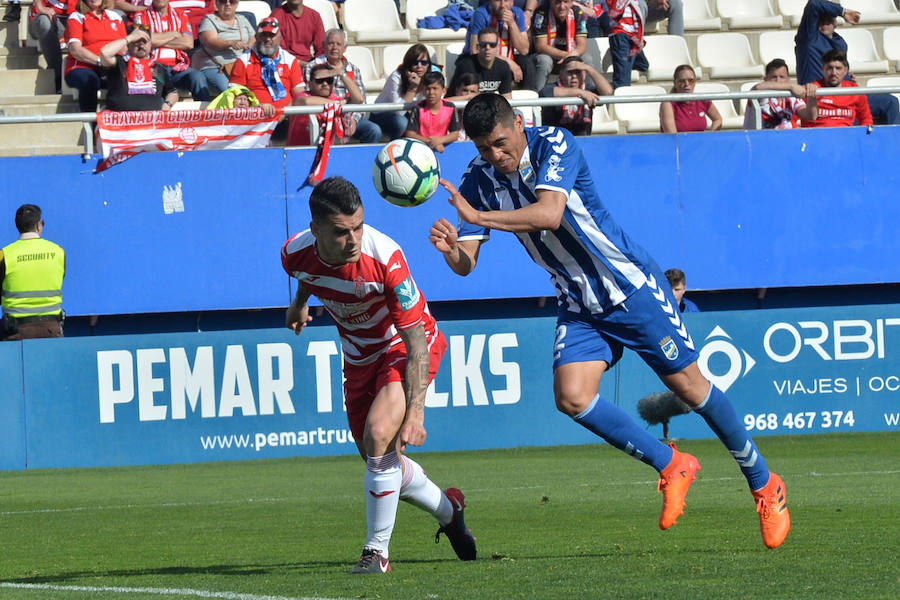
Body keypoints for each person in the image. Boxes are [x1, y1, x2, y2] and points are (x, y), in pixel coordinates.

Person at [429, 93, 791, 549]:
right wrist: (453, 251)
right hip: (578, 301)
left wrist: (477, 216)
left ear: (519, 123)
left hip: (629, 288)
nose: (495, 156)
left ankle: (764, 483)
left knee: (692, 389)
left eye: (501, 143)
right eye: (484, 149)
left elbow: (549, 214)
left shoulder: (554, 144)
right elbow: (468, 263)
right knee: (572, 396)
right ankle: (671, 463)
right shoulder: (479, 179)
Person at [281, 176, 477, 573]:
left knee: (379, 435)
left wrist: (417, 414)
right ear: (315, 230)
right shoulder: (293, 254)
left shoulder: (385, 257)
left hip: (404, 346)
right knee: (381, 462)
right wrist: (300, 304)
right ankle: (449, 511)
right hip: (358, 359)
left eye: (358, 226)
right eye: (341, 232)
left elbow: (417, 342)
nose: (353, 239)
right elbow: (306, 275)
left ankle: (376, 554)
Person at [795, 0, 899, 125]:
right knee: (847, 120)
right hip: (819, 100)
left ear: (835, 23)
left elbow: (839, 67)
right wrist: (843, 12)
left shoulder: (840, 43)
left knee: (889, 102)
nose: (823, 25)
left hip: (844, 97)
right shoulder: (809, 39)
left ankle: (894, 143)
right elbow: (814, 4)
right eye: (820, 21)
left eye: (827, 21)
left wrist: (848, 78)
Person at [304, 28, 382, 144]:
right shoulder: (312, 67)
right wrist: (343, 103)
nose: (334, 47)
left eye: (339, 44)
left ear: (345, 48)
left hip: (348, 116)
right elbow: (306, 96)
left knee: (374, 130)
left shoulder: (354, 69)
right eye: (330, 44)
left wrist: (354, 120)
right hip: (322, 116)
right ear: (323, 46)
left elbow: (361, 101)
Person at [229, 17, 305, 135]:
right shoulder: (243, 61)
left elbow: (299, 95)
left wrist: (283, 113)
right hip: (253, 121)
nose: (268, 39)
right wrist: (256, 107)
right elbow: (236, 98)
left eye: (272, 35)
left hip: (286, 119)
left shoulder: (290, 60)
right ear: (256, 37)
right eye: (264, 35)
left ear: (280, 37)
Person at [1, 205, 65, 340]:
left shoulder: (5, 255)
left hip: (15, 332)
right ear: (38, 225)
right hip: (51, 330)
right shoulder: (59, 252)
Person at [133, 0, 211, 101]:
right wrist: (173, 34)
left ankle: (205, 115)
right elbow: (141, 41)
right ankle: (159, 115)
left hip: (178, 68)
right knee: (155, 85)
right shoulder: (141, 16)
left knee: (197, 76)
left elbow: (188, 43)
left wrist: (154, 39)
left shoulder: (180, 15)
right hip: (154, 67)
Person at [99, 22, 180, 110]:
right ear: (129, 45)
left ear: (150, 44)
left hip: (150, 121)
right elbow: (104, 53)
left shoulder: (157, 68)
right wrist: (129, 38)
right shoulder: (120, 62)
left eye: (145, 41)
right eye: (136, 41)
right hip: (119, 120)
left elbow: (172, 92)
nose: (141, 45)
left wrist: (167, 104)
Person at [64, 0, 126, 113]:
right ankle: (90, 124)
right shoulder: (77, 17)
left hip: (111, 66)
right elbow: (75, 49)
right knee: (90, 80)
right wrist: (101, 62)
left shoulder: (115, 17)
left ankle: (118, 123)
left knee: (126, 79)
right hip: (82, 67)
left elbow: (124, 47)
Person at [464, 0, 537, 91]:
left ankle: (529, 100)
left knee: (527, 63)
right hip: (479, 58)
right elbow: (475, 50)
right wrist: (509, 63)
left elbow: (524, 50)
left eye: (506, 0)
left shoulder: (517, 13)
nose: (502, 5)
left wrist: (512, 23)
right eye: (498, 0)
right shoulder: (481, 13)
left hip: (506, 56)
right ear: (490, 2)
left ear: (512, 2)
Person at [191, 0, 255, 96]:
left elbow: (254, 37)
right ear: (216, 4)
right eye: (223, 1)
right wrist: (230, 43)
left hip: (241, 66)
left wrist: (250, 44)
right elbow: (210, 41)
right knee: (232, 93)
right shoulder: (209, 19)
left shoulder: (242, 19)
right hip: (216, 67)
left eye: (232, 1)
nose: (228, 4)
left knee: (256, 88)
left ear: (237, 4)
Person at [371, 44, 434, 140]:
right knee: (402, 123)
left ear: (428, 64)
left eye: (424, 62)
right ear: (409, 64)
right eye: (415, 63)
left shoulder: (430, 78)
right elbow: (399, 111)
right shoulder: (396, 77)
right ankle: (396, 150)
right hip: (381, 114)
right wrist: (412, 88)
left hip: (409, 115)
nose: (419, 66)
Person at [538, 55, 612, 136]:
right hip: (555, 141)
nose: (574, 76)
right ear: (561, 74)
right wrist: (580, 93)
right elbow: (546, 93)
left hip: (583, 140)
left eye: (578, 72)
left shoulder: (588, 90)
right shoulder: (551, 87)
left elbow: (607, 92)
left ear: (584, 74)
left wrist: (588, 68)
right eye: (570, 72)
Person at [287, 62, 358, 146]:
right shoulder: (300, 97)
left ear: (333, 84)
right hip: (299, 152)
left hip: (325, 153)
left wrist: (341, 73)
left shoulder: (336, 100)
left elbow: (359, 99)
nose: (325, 84)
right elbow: (307, 102)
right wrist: (338, 103)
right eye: (319, 81)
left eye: (329, 80)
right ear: (310, 84)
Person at [801, 49, 872, 128]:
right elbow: (793, 117)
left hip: (846, 137)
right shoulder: (812, 89)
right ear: (823, 69)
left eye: (838, 68)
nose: (834, 73)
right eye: (829, 68)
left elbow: (866, 120)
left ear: (845, 71)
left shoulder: (854, 90)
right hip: (817, 137)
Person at [743, 58, 818, 130]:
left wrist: (812, 96)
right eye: (774, 77)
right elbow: (757, 87)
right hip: (757, 140)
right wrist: (791, 86)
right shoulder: (762, 95)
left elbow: (810, 116)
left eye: (782, 77)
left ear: (788, 79)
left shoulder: (791, 98)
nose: (778, 80)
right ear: (765, 79)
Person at [532, 0, 591, 89]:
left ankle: (590, 94)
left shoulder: (577, 12)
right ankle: (539, 98)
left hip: (571, 55)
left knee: (587, 59)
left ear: (571, 2)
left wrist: (570, 56)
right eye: (557, 2)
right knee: (544, 61)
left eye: (566, 2)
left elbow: (582, 46)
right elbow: (541, 46)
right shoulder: (541, 12)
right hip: (550, 56)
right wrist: (565, 55)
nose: (562, 6)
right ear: (551, 2)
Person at [404, 71, 461, 153]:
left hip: (441, 149)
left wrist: (440, 140)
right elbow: (410, 134)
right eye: (428, 89)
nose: (431, 93)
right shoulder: (418, 108)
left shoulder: (450, 107)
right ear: (423, 91)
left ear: (443, 91)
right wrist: (430, 142)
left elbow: (455, 134)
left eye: (435, 88)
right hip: (419, 150)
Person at [28, 0, 77, 94]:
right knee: (44, 21)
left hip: (69, 20)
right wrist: (40, 7)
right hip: (42, 18)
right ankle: (57, 76)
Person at [449, 27, 513, 98]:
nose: (487, 48)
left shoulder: (503, 67)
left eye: (492, 45)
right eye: (483, 44)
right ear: (477, 47)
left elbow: (507, 96)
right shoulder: (465, 66)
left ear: (498, 47)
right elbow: (453, 98)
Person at [659, 64, 722, 133]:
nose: (687, 84)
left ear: (695, 82)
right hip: (679, 143)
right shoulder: (668, 103)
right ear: (675, 83)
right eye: (682, 81)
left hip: (700, 143)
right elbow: (672, 137)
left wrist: (709, 137)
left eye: (691, 80)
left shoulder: (702, 100)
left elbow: (718, 119)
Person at [269, 0, 324, 66]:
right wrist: (298, 63)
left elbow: (321, 48)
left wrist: (316, 65)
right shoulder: (276, 16)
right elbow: (275, 49)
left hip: (308, 63)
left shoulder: (314, 16)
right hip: (285, 63)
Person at [607, 0, 649, 89]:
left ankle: (619, 58)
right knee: (622, 81)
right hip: (620, 34)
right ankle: (620, 101)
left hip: (633, 34)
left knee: (643, 65)